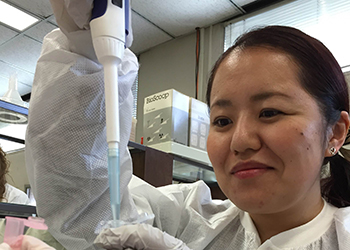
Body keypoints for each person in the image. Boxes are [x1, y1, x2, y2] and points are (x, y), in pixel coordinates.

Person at [25, 1, 350, 249]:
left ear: (334, 132)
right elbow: (82, 199)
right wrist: (85, 48)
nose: (241, 141)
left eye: (270, 112)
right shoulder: (184, 219)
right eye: (222, 120)